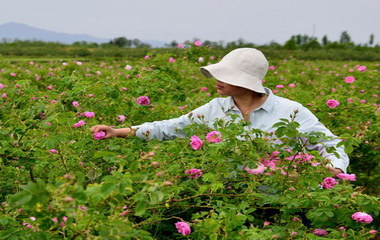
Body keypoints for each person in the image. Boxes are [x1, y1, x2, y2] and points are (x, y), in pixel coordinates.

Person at [90, 48, 348, 175]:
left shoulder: (290, 110)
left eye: (226, 75)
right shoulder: (216, 108)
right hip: (230, 196)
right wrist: (119, 131)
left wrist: (334, 170)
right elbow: (173, 127)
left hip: (283, 196)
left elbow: (330, 144)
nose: (217, 79)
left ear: (246, 80)